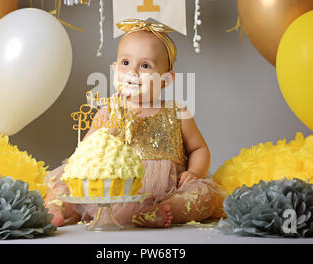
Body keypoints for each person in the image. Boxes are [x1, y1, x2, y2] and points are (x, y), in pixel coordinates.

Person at [44, 19, 227, 228]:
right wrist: (107, 130)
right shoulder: (109, 110)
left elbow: (198, 148)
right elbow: (85, 153)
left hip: (165, 190)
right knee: (67, 182)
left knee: (204, 196)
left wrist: (194, 172)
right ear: (114, 68)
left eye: (145, 65)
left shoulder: (177, 112)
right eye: (125, 63)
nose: (133, 71)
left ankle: (165, 211)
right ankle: (57, 207)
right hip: (112, 188)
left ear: (166, 80)